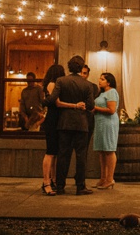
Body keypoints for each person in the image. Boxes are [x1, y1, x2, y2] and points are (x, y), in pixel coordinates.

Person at [49, 55, 95, 195]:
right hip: (81, 124)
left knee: (63, 155)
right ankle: (80, 187)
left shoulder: (61, 81)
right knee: (81, 156)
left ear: (69, 67)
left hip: (64, 123)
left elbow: (52, 99)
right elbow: (91, 105)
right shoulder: (87, 84)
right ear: (81, 68)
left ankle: (61, 186)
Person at [39, 63, 65, 195]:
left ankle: (53, 179)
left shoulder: (50, 84)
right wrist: (75, 105)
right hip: (52, 120)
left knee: (54, 153)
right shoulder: (52, 85)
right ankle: (46, 182)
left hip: (55, 119)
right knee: (50, 152)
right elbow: (58, 103)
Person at [92, 72, 119, 189]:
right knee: (102, 151)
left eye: (102, 79)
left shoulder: (112, 92)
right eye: (100, 78)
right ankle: (103, 178)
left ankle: (109, 178)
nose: (100, 80)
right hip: (100, 123)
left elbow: (111, 109)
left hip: (108, 123)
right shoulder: (102, 93)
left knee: (109, 149)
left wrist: (94, 108)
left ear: (109, 82)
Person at [81, 64, 101, 144]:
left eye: (84, 73)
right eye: (81, 73)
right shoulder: (73, 84)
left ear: (88, 74)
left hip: (88, 118)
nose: (82, 75)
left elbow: (94, 101)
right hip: (75, 118)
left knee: (86, 143)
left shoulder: (93, 87)